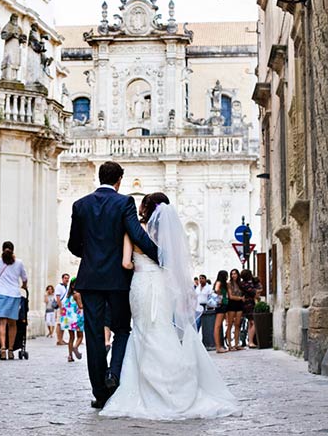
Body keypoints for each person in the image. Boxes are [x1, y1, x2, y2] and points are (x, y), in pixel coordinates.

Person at [100, 194, 240, 419]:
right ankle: (177, 385)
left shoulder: (133, 231)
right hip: (161, 285)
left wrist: (134, 264)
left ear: (144, 208)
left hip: (141, 284)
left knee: (142, 331)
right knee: (162, 328)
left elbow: (126, 262)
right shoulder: (165, 235)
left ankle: (142, 388)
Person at [67, 161, 159, 409]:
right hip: (118, 280)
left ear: (100, 178)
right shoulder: (124, 202)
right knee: (122, 329)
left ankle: (100, 393)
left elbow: (73, 245)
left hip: (90, 279)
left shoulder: (80, 205)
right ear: (119, 179)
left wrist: (91, 255)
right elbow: (137, 235)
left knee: (94, 335)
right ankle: (114, 373)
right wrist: (160, 256)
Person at [0, 241, 28, 360]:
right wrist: (24, 286)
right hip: (14, 294)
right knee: (12, 323)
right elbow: (24, 278)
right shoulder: (19, 263)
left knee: (2, 323)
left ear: (2, 249)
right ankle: (11, 349)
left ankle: (2, 348)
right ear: (13, 250)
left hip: (0, 293)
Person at [59, 278, 85, 362]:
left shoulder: (68, 295)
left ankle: (70, 356)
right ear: (74, 285)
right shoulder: (77, 294)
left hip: (69, 320)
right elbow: (80, 306)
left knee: (71, 337)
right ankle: (75, 347)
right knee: (80, 336)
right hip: (77, 319)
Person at [240, 269, 260, 348]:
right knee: (254, 322)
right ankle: (251, 341)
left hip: (246, 304)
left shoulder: (242, 284)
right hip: (249, 304)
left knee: (250, 323)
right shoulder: (246, 285)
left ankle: (250, 340)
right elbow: (254, 292)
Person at [226, 269, 245, 351]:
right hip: (232, 304)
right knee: (230, 324)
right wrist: (240, 298)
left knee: (237, 324)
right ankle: (229, 345)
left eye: (235, 274)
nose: (233, 275)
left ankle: (237, 344)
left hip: (239, 305)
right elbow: (231, 296)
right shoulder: (229, 284)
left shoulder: (240, 284)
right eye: (232, 274)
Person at [213, 270, 229, 354]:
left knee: (220, 326)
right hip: (221, 305)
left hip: (224, 305)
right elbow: (216, 289)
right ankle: (218, 347)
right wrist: (220, 296)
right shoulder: (219, 282)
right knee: (217, 326)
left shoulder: (223, 284)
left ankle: (220, 345)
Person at [54, 273, 70, 345]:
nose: (67, 279)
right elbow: (58, 298)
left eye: (67, 278)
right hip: (61, 307)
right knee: (59, 323)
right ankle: (58, 339)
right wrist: (61, 308)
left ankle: (61, 339)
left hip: (65, 308)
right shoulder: (59, 286)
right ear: (62, 278)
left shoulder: (67, 287)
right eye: (65, 278)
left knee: (63, 323)